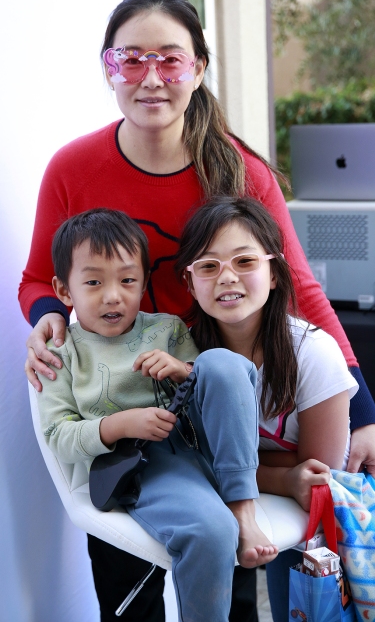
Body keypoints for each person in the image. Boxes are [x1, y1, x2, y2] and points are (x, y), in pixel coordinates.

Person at [19, 0, 375, 622]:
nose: (151, 77)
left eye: (170, 59)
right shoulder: (72, 168)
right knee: (127, 585)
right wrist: (48, 315)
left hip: (211, 393)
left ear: (199, 68)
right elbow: (35, 280)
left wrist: (364, 409)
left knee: (225, 572)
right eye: (131, 59)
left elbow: (299, 286)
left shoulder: (238, 168)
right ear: (108, 68)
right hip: (118, 399)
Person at [36, 207, 278, 622]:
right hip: (145, 468)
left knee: (220, 362)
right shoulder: (61, 354)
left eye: (127, 280)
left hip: (208, 447)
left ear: (144, 282)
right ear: (63, 289)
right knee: (211, 531)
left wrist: (183, 369)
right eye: (93, 282)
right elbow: (58, 436)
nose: (113, 295)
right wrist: (120, 425)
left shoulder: (166, 329)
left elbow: (216, 389)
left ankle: (243, 505)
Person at [175, 196, 359, 622]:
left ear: (274, 273)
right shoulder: (181, 355)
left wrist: (240, 467)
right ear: (190, 282)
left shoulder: (313, 353)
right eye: (208, 266)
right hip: (237, 509)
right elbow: (189, 460)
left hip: (313, 520)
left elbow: (317, 474)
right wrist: (283, 475)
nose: (227, 277)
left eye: (245, 261)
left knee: (297, 605)